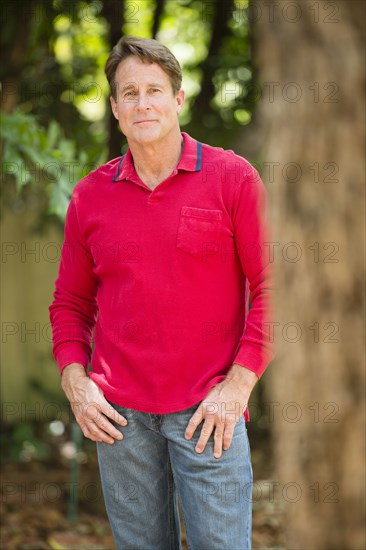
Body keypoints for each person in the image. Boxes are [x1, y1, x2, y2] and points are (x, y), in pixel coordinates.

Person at [49, 35, 274, 550]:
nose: (142, 102)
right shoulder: (90, 196)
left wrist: (237, 388)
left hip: (207, 413)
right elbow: (70, 304)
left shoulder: (232, 178)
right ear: (115, 107)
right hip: (120, 420)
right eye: (129, 93)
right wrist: (76, 381)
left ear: (178, 99)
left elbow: (274, 289)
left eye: (154, 90)